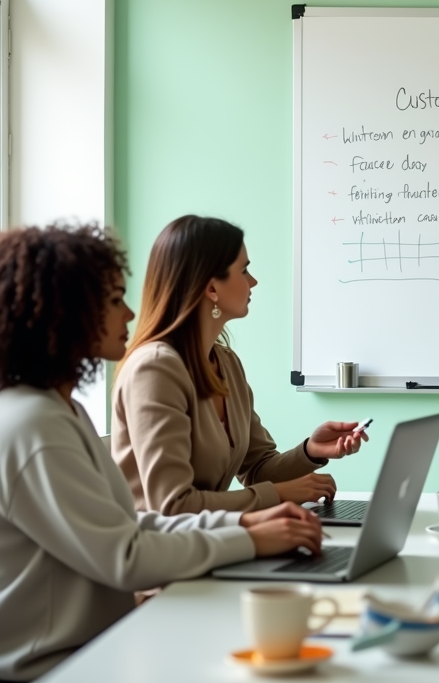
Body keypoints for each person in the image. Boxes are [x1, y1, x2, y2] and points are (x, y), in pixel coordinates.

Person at [0, 224, 324, 682]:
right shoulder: (35, 426)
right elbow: (128, 554)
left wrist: (246, 523)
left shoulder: (59, 409)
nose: (129, 311)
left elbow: (130, 524)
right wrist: (250, 535)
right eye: (113, 300)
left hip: (99, 640)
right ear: (65, 313)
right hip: (58, 664)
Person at [111, 215, 368, 515]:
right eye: (244, 270)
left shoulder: (226, 363)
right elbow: (173, 506)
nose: (253, 281)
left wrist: (311, 450)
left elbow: (257, 469)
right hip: (163, 553)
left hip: (210, 542)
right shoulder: (154, 370)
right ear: (211, 289)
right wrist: (278, 495)